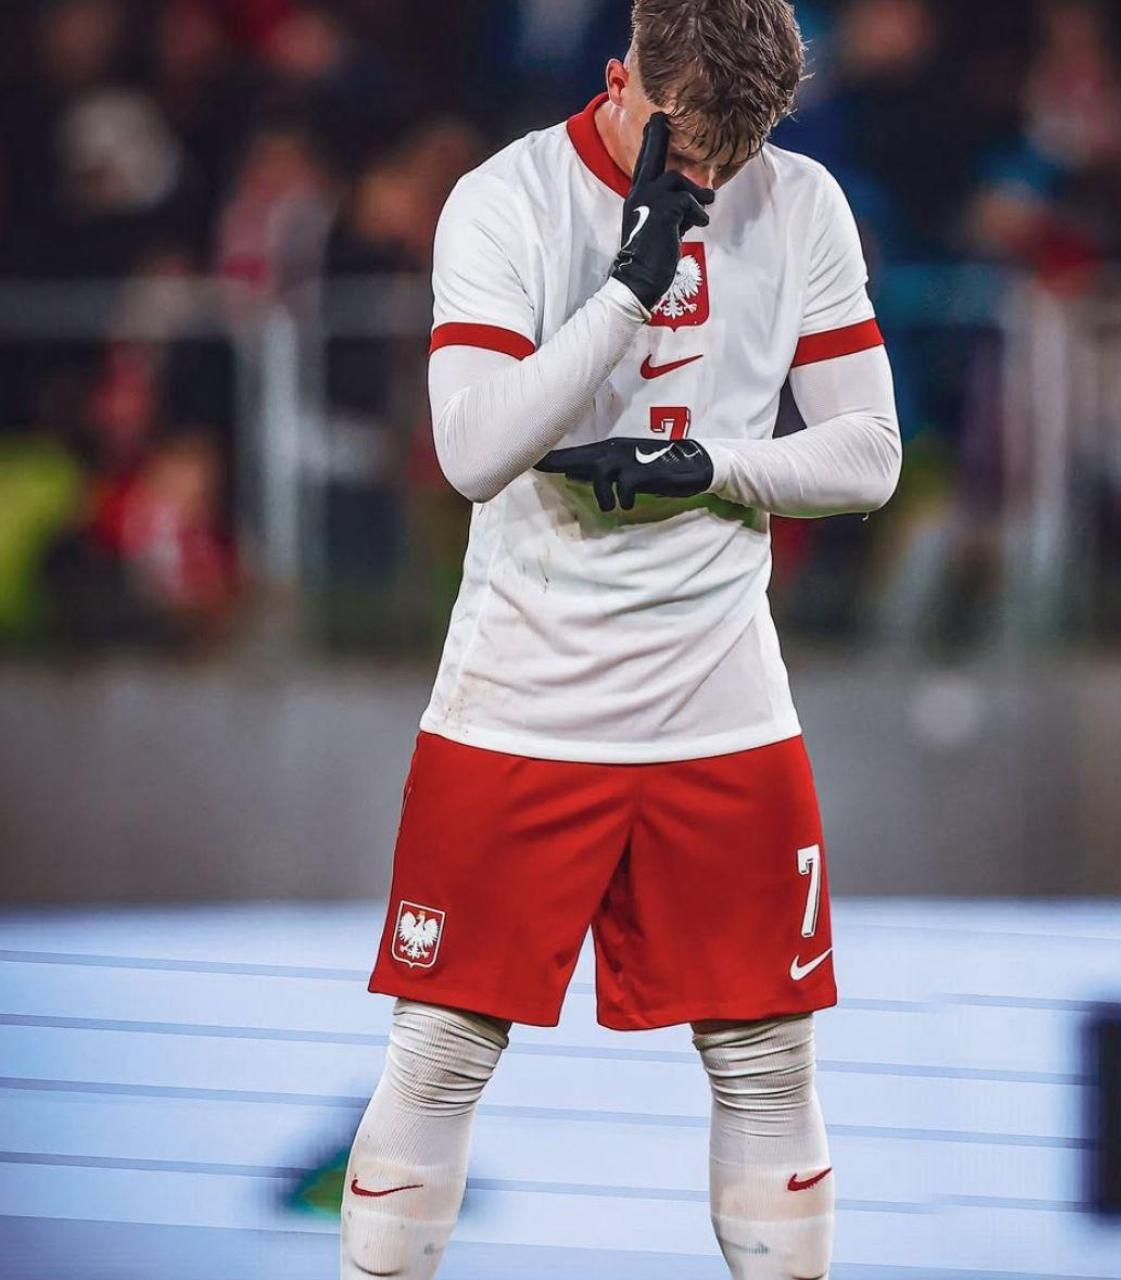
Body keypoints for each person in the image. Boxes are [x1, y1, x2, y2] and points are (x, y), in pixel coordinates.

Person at [342, 2, 902, 1276]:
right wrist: (628, 284)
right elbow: (473, 449)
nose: (710, 177)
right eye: (687, 145)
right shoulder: (504, 200)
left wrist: (708, 466)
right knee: (440, 1046)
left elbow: (868, 453)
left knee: (767, 1048)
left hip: (722, 696)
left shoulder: (800, 199)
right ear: (619, 78)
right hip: (518, 696)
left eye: (736, 152)